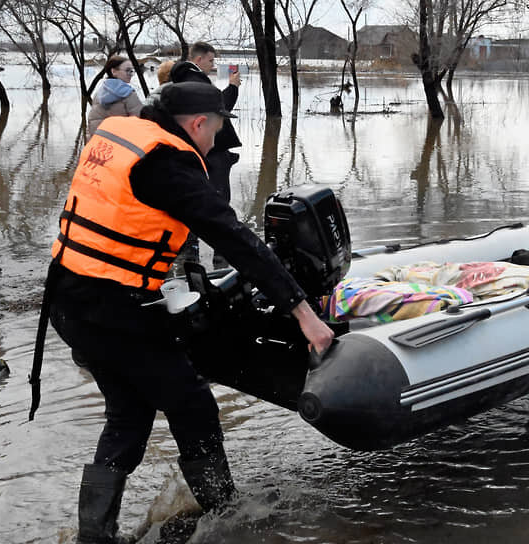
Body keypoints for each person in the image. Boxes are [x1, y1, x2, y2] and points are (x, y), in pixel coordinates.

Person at [40, 81, 334, 543]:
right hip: (110, 310)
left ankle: (94, 536)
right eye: (216, 131)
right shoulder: (168, 165)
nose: (215, 142)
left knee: (129, 414)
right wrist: (303, 313)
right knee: (193, 404)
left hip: (66, 300)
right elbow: (235, 238)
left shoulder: (121, 133)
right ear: (198, 124)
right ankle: (225, 513)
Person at [169, 41, 242, 269]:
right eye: (211, 60)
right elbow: (219, 110)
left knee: (193, 204)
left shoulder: (181, 82)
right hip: (211, 155)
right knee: (219, 205)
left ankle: (189, 261)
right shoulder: (196, 83)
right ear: (199, 60)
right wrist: (233, 87)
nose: (212, 65)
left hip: (195, 153)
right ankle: (220, 263)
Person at [87, 56, 143, 136]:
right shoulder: (128, 94)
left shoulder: (98, 93)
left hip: (101, 145)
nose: (131, 74)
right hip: (122, 144)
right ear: (113, 71)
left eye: (131, 71)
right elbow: (139, 123)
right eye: (127, 70)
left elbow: (91, 124)